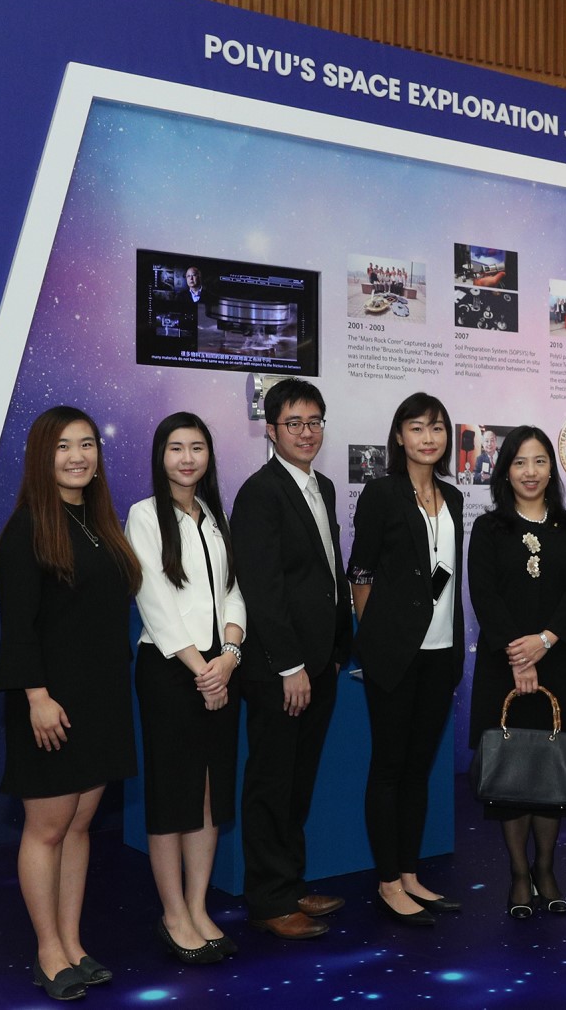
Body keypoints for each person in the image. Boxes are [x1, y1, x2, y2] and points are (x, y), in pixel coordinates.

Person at [0, 405, 142, 1000]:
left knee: (80, 826)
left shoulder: (100, 523)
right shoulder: (27, 528)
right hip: (50, 704)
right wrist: (36, 697)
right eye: (62, 446)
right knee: (48, 829)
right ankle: (48, 952)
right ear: (41, 456)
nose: (78, 456)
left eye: (86, 444)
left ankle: (73, 943)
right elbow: (19, 627)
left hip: (101, 698)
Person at [230, 378, 354, 940]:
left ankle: (292, 883)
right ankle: (268, 900)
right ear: (271, 429)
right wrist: (290, 666)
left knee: (298, 781)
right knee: (271, 783)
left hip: (319, 663)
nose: (306, 432)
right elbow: (263, 588)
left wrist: (336, 650)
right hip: (281, 671)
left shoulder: (320, 485)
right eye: (294, 423)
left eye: (314, 422)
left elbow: (327, 574)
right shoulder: (260, 493)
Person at [124, 412, 245, 963]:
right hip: (172, 671)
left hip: (221, 668)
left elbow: (235, 593)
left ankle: (198, 908)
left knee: (209, 795)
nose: (187, 458)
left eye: (197, 447)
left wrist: (230, 657)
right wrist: (204, 671)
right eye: (176, 447)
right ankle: (173, 915)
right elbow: (155, 602)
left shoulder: (215, 516)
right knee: (173, 794)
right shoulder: (143, 515)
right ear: (160, 455)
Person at [467, 426, 566, 918]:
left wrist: (546, 640)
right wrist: (519, 656)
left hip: (561, 661)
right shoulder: (489, 528)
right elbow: (485, 595)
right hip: (505, 663)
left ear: (551, 469)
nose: (530, 472)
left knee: (550, 773)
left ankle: (546, 868)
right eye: (520, 462)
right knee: (512, 774)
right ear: (505, 471)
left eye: (540, 461)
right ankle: (519, 874)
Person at [348, 392, 466, 927]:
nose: (428, 438)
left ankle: (411, 874)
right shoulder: (382, 493)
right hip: (394, 655)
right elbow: (362, 570)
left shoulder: (454, 497)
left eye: (437, 428)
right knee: (390, 768)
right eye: (417, 427)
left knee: (419, 770)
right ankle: (388, 882)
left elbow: (442, 572)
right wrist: (373, 636)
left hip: (441, 652)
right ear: (399, 436)